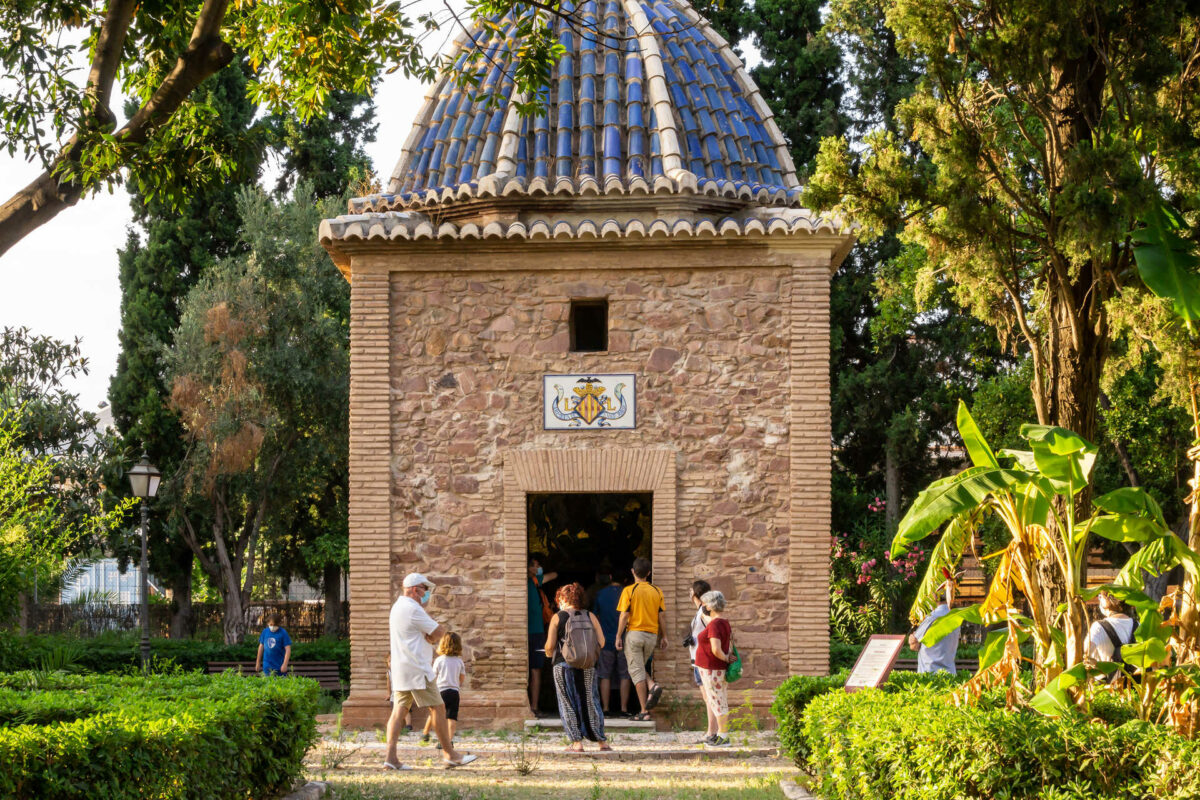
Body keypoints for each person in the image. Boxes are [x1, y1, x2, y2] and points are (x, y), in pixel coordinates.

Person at [385, 573, 477, 770]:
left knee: (398, 712)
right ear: (414, 589)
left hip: (401, 668)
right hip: (417, 668)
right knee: (438, 707)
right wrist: (431, 638)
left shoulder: (397, 607)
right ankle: (450, 754)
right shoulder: (412, 608)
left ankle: (390, 757)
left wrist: (428, 637)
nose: (426, 594)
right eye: (424, 589)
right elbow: (440, 633)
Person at [544, 582, 611, 752]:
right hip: (588, 665)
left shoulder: (558, 617)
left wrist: (548, 653)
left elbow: (549, 646)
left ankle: (576, 743)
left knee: (567, 702)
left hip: (563, 665)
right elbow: (602, 642)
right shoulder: (590, 616)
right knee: (590, 701)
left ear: (563, 599)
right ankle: (601, 741)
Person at [615, 556, 667, 721]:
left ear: (632, 572)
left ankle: (644, 711)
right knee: (638, 668)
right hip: (652, 635)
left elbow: (624, 616)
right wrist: (664, 636)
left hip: (635, 634)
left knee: (636, 671)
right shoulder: (657, 591)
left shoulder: (629, 590)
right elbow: (661, 617)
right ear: (649, 573)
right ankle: (652, 686)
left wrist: (618, 636)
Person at [695, 590, 733, 748]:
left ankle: (723, 736)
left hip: (711, 668)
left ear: (710, 605)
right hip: (714, 668)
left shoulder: (715, 625)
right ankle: (720, 734)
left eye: (704, 604)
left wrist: (725, 658)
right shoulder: (722, 622)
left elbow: (716, 649)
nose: (702, 606)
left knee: (717, 702)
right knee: (718, 699)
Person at [592, 569, 631, 716]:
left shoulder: (601, 594)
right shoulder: (627, 593)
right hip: (624, 640)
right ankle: (624, 709)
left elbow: (595, 616)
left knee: (604, 675)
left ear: (609, 577)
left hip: (605, 640)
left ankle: (606, 708)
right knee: (625, 675)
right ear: (626, 580)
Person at [908, 579, 960, 674]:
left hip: (929, 674)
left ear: (934, 596)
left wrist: (911, 639)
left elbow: (914, 645)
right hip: (950, 673)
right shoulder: (956, 618)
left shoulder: (931, 618)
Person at [422, 632, 466, 744]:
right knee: (451, 717)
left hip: (440, 691)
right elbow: (462, 677)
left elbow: (433, 676)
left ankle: (425, 733)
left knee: (434, 714)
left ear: (442, 644)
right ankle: (448, 741)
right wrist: (456, 684)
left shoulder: (439, 660)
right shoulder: (459, 661)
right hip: (454, 692)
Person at [527, 552, 557, 716]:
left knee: (536, 669)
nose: (539, 568)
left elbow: (554, 575)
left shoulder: (534, 581)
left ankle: (534, 706)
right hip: (529, 633)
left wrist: (535, 573)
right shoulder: (527, 581)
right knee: (532, 670)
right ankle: (530, 706)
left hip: (537, 632)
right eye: (535, 565)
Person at [1087, 592, 1136, 663]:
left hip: (1106, 673)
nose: (1099, 600)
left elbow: (1087, 651)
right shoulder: (1138, 625)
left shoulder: (1098, 627)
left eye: (1100, 597)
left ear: (1107, 601)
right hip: (1136, 674)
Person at [684, 579, 712, 701]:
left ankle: (713, 721)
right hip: (698, 659)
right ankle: (712, 721)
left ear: (695, 594)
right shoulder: (701, 611)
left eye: (691, 591)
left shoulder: (704, 612)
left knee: (709, 698)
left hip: (703, 660)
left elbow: (714, 626)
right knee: (707, 697)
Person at [255, 613, 291, 677]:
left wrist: (285, 664)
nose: (273, 627)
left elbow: (288, 649)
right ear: (268, 623)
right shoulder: (265, 632)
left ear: (279, 624)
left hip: (279, 666)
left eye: (275, 625)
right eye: (271, 624)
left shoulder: (283, 633)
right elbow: (261, 647)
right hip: (267, 666)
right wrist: (258, 662)